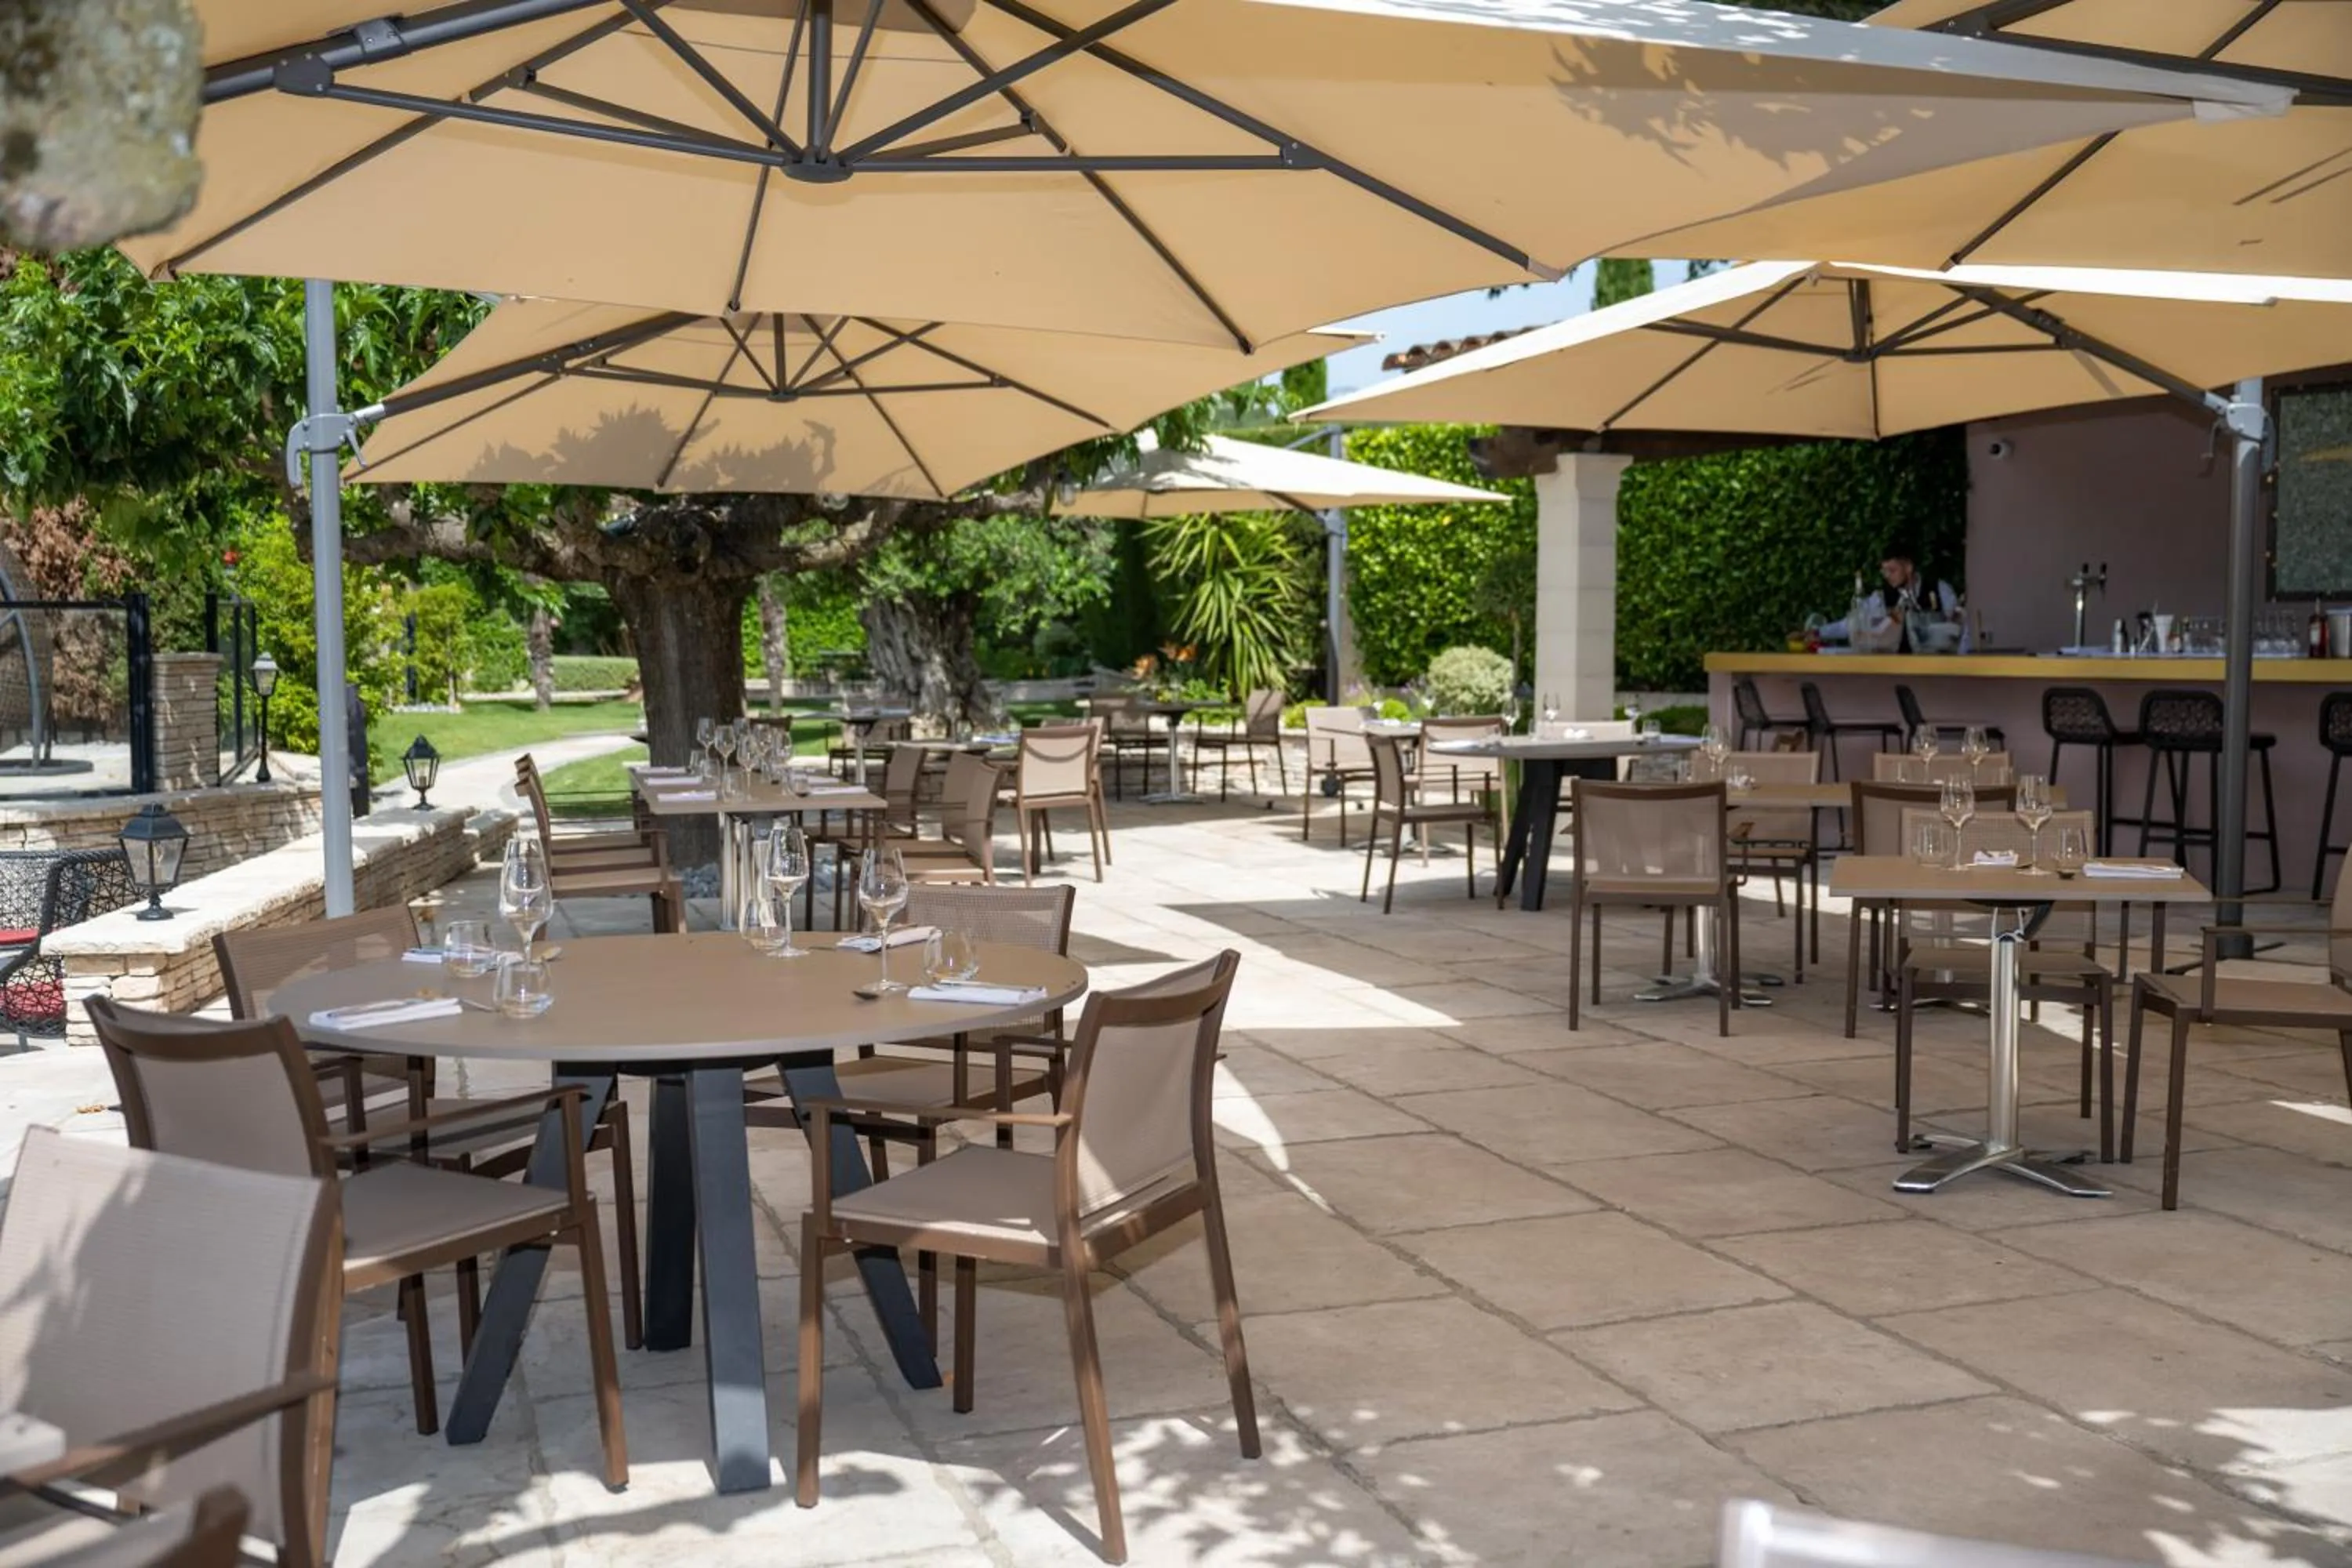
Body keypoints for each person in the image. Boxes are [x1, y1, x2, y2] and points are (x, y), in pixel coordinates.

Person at [1821, 548, 1962, 652]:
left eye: (1892, 570)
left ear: (1908, 567)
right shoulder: (1881, 598)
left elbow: (1957, 626)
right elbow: (1852, 623)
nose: (1887, 576)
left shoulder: (1939, 589)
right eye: (1884, 571)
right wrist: (1818, 633)